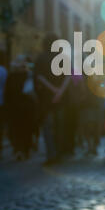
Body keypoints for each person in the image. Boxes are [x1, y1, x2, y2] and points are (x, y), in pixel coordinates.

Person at [34, 33, 70, 165]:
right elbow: (68, 77)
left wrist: (53, 90)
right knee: (60, 127)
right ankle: (59, 154)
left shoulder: (40, 58)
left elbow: (39, 77)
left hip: (46, 99)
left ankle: (51, 155)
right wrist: (60, 91)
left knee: (48, 128)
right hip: (61, 99)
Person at [4, 55, 35, 160]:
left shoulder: (10, 77)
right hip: (27, 107)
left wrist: (6, 108)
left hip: (14, 107)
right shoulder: (29, 76)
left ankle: (18, 149)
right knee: (27, 129)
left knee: (16, 129)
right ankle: (25, 150)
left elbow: (6, 94)